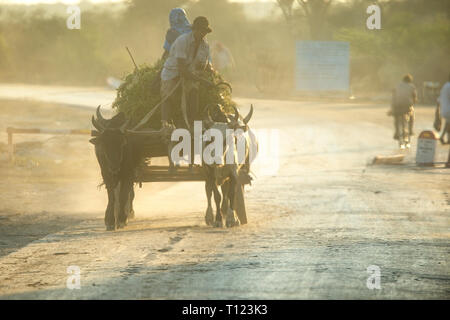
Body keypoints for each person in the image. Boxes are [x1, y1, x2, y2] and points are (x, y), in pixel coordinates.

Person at [160, 16, 214, 129]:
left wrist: (210, 71)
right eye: (199, 30)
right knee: (169, 95)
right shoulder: (182, 41)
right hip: (172, 73)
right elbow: (182, 69)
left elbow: (205, 64)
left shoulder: (205, 46)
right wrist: (202, 80)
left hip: (191, 74)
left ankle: (192, 123)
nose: (202, 33)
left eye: (204, 31)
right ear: (194, 29)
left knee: (194, 92)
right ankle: (165, 123)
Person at [390, 74, 417, 148]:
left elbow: (393, 97)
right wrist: (413, 102)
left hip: (397, 106)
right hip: (407, 107)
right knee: (411, 116)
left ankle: (396, 132)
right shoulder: (412, 86)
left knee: (396, 119)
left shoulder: (397, 86)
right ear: (410, 80)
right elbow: (414, 98)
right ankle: (410, 130)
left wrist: (392, 108)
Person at [437, 73, 450, 167]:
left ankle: (442, 136)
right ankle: (448, 162)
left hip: (444, 111)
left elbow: (438, 100)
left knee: (448, 125)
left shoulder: (446, 85)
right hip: (448, 111)